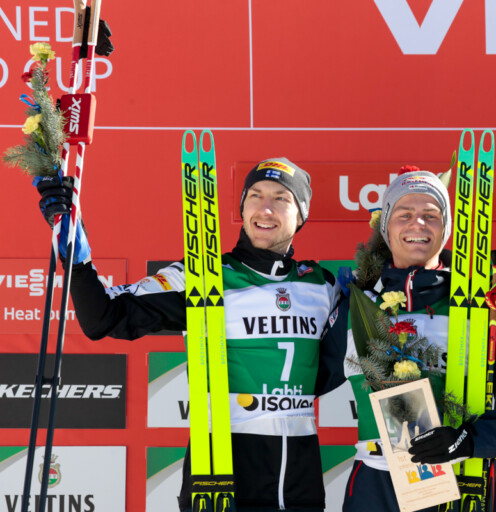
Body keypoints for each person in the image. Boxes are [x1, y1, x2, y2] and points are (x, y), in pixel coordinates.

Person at [35, 158, 341, 512]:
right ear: (242, 207)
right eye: (255, 195)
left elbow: (334, 369)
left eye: (281, 198)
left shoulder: (324, 285)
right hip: (223, 468)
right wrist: (77, 260)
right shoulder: (202, 276)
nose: (265, 208)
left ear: (301, 214)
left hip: (300, 474)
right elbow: (102, 318)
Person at [320, 167, 496, 512]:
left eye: (431, 215)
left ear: (446, 229)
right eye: (404, 214)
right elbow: (301, 384)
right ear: (385, 226)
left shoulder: (485, 306)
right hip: (375, 487)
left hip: (463, 482)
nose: (418, 224)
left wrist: (469, 441)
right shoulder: (358, 303)